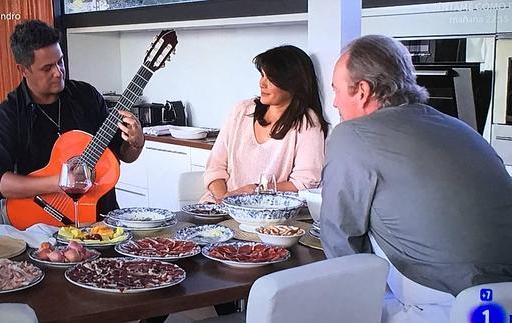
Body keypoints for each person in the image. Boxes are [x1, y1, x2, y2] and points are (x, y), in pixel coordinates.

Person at [320, 34, 512, 323]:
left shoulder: (352, 134)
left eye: (336, 91)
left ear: (362, 90)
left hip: (445, 305)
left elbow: (340, 241)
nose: (334, 103)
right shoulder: (460, 128)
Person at [0, 20, 144, 218]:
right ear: (23, 70)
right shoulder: (9, 113)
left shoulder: (87, 96)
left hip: (103, 219)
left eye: (60, 61)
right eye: (47, 68)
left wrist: (136, 144)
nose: (58, 72)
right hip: (40, 220)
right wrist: (59, 182)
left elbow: (123, 154)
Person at [201, 45, 328, 203]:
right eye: (262, 75)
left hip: (265, 215)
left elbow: (305, 183)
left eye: (271, 78)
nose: (262, 83)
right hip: (218, 207)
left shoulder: (307, 122)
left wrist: (256, 190)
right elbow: (215, 168)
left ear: (293, 83)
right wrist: (224, 199)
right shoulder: (242, 110)